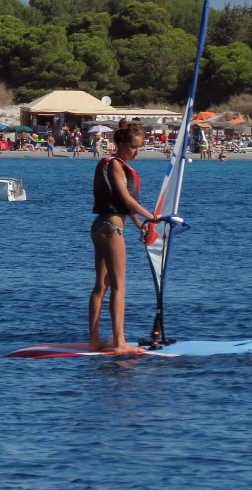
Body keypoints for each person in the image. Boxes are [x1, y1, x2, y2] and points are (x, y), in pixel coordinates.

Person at [89, 120, 156, 354]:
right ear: (119, 143)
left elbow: (123, 206)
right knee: (119, 286)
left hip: (101, 226)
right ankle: (119, 343)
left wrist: (140, 225)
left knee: (102, 285)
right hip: (111, 229)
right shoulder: (115, 164)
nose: (137, 151)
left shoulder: (109, 164)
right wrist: (153, 216)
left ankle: (95, 341)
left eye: (140, 147)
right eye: (133, 146)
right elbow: (127, 200)